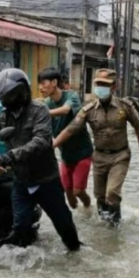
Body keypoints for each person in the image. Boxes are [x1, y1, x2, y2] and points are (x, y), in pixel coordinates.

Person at [0, 68, 81, 251]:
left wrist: (11, 155)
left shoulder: (39, 110)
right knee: (20, 229)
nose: (3, 102)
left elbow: (41, 141)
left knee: (65, 227)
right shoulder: (5, 116)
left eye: (6, 97)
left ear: (18, 94)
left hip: (46, 181)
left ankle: (76, 256)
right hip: (21, 181)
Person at [53, 69, 139, 226]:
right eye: (98, 84)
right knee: (99, 195)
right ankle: (104, 227)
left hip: (120, 156)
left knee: (111, 193)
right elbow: (71, 129)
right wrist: (53, 144)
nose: (100, 87)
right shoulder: (88, 110)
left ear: (114, 87)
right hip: (99, 157)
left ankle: (115, 226)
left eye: (105, 84)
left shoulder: (124, 107)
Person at [38, 68, 94, 209]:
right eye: (39, 84)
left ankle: (89, 209)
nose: (40, 87)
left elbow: (65, 110)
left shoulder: (71, 96)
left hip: (82, 153)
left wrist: (43, 113)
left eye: (43, 83)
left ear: (54, 82)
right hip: (65, 155)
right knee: (68, 193)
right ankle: (77, 219)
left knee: (78, 191)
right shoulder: (46, 103)